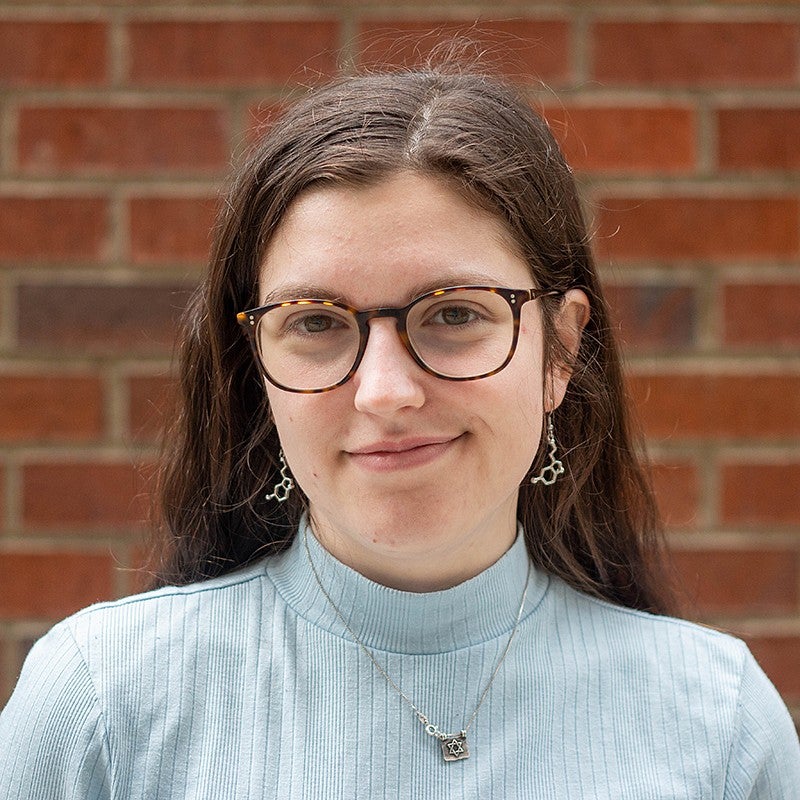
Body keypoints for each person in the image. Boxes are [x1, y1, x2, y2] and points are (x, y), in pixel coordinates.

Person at [1, 58, 798, 799]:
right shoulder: (102, 706)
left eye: (454, 313)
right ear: (256, 370)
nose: (384, 392)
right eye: (315, 322)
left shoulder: (717, 726)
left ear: (559, 350)